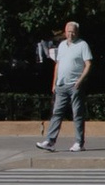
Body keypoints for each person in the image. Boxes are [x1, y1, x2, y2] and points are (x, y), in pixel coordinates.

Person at [38, 22, 90, 153]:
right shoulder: (61, 45)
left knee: (77, 114)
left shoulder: (82, 45)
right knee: (57, 113)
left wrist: (80, 80)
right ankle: (50, 141)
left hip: (75, 85)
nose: (70, 34)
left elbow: (88, 64)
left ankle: (79, 143)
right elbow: (58, 64)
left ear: (77, 32)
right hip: (61, 85)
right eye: (68, 31)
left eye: (73, 31)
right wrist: (54, 82)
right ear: (65, 32)